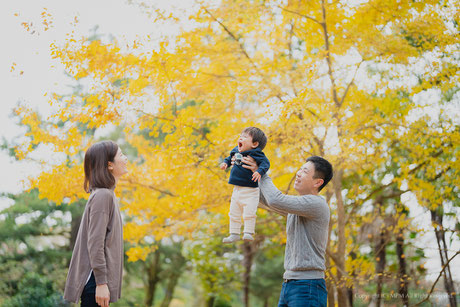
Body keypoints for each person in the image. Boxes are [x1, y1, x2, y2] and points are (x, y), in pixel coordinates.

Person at [241, 155, 332, 307]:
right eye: (300, 169)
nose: (298, 173)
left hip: (307, 286)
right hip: (290, 284)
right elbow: (264, 199)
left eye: (304, 171)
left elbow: (275, 200)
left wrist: (261, 170)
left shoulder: (317, 204)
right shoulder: (298, 208)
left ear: (318, 182)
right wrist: (245, 172)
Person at [64, 141, 128, 307]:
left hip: (97, 282)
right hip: (94, 282)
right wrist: (101, 283)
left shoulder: (106, 195)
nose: (126, 158)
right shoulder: (103, 196)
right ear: (109, 165)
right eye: (121, 155)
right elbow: (95, 243)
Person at [220, 127, 270, 243]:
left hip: (251, 190)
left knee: (249, 212)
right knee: (233, 212)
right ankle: (234, 233)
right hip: (236, 190)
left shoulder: (256, 153)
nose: (240, 138)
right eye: (240, 135)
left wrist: (259, 171)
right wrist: (225, 163)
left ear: (254, 144)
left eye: (245, 137)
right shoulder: (236, 150)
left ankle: (248, 232)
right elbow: (229, 158)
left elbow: (265, 164)